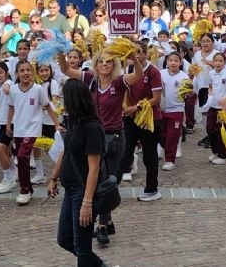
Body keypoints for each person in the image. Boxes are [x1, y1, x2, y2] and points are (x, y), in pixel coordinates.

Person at [57, 48, 143, 247]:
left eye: (109, 61)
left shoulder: (119, 81)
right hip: (93, 135)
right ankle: (107, 221)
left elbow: (138, 75)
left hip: (114, 137)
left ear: (114, 65)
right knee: (95, 179)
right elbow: (66, 70)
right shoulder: (90, 79)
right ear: (95, 64)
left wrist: (135, 59)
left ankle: (102, 225)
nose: (105, 64)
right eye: (101, 61)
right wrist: (60, 53)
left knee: (106, 181)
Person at [48, 79, 110, 267]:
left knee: (82, 248)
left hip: (82, 191)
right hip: (70, 189)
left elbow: (94, 168)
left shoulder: (91, 128)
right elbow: (65, 151)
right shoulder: (73, 123)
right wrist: (53, 178)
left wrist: (87, 203)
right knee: (64, 239)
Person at [6, 60, 58, 205]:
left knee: (23, 156)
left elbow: (48, 106)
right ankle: (27, 187)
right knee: (21, 158)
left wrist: (57, 124)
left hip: (33, 129)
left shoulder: (37, 89)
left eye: (28, 70)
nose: (25, 73)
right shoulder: (14, 90)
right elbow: (11, 107)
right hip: (19, 129)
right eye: (22, 71)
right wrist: (8, 125)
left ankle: (24, 190)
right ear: (17, 73)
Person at [118, 42, 163, 202]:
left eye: (138, 52)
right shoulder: (129, 70)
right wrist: (125, 106)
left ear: (145, 54)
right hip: (131, 117)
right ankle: (111, 188)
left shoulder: (153, 72)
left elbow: (156, 99)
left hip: (149, 118)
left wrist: (135, 107)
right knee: (125, 151)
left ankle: (152, 189)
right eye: (132, 52)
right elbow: (125, 92)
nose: (135, 55)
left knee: (149, 155)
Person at [159, 52, 190, 171]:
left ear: (180, 63)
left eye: (176, 61)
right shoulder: (161, 74)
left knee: (172, 135)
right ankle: (163, 147)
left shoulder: (184, 76)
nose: (173, 63)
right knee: (161, 135)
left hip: (177, 109)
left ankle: (170, 160)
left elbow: (189, 93)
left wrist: (189, 91)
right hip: (162, 108)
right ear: (167, 62)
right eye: (171, 60)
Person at [0, 62, 18, 194]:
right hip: (0, 123)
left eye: (0, 72)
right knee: (6, 151)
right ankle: (13, 174)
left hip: (9, 123)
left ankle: (9, 179)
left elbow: (8, 87)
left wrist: (7, 86)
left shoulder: (9, 84)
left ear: (6, 73)